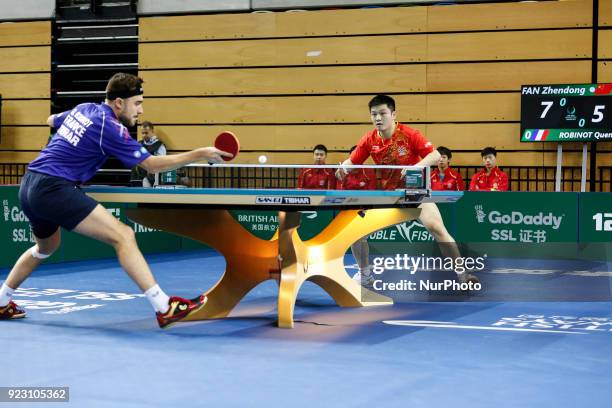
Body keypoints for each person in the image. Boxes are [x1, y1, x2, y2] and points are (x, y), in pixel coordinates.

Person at [0, 73, 232, 328]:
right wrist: (199, 153)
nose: (141, 111)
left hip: (29, 184)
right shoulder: (110, 127)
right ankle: (164, 307)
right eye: (138, 103)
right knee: (124, 236)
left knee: (45, 248)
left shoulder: (84, 108)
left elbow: (51, 119)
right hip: (53, 187)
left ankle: (1, 300)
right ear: (119, 103)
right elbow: (151, 165)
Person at [336, 94, 478, 284]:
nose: (378, 118)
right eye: (374, 114)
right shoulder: (369, 140)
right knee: (356, 233)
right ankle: (365, 275)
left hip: (414, 192)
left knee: (437, 228)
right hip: (388, 195)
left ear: (393, 114)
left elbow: (435, 156)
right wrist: (342, 169)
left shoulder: (410, 134)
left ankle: (462, 275)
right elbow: (352, 161)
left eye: (383, 113)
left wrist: (416, 167)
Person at [338, 146, 377, 285]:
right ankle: (365, 274)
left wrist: (364, 211)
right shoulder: (343, 172)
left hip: (364, 211)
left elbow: (372, 195)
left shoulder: (368, 172)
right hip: (347, 212)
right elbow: (339, 194)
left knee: (359, 239)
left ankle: (365, 273)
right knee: (356, 241)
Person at [133, 121, 166, 187]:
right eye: (142, 133)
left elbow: (162, 163)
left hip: (152, 179)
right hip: (137, 178)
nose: (144, 135)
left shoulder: (159, 145)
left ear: (152, 131)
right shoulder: (138, 144)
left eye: (146, 133)